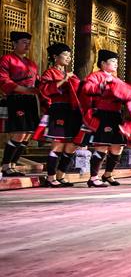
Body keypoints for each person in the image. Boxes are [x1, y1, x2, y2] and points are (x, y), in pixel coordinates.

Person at [79, 50, 131, 187]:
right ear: (103, 63)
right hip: (102, 113)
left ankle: (108, 174)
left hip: (116, 115)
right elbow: (86, 88)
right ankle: (93, 177)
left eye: (117, 62)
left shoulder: (117, 79)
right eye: (113, 61)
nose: (116, 64)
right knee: (101, 146)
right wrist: (103, 86)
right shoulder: (95, 76)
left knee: (118, 146)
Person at [36, 43, 80, 187]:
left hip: (71, 111)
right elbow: (45, 90)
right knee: (57, 145)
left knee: (71, 145)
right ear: (55, 57)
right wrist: (64, 80)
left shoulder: (69, 74)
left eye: (69, 54)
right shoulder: (49, 73)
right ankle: (50, 177)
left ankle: (61, 175)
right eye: (65, 54)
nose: (68, 57)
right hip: (58, 109)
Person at [0, 31, 39, 178]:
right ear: (14, 43)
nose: (27, 45)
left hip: (30, 100)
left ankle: (13, 165)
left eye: (28, 42)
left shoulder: (31, 63)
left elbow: (38, 82)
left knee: (27, 134)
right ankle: (5, 166)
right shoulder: (6, 59)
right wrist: (26, 90)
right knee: (19, 133)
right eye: (24, 42)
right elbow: (4, 80)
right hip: (16, 99)